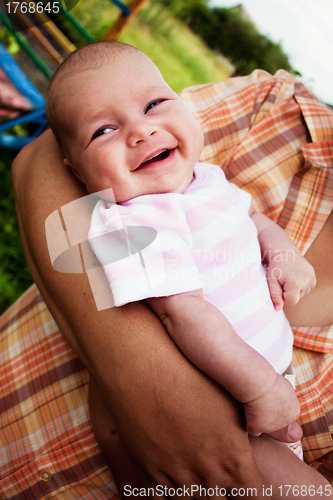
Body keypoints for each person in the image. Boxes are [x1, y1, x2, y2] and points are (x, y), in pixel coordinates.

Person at [7, 41, 333, 499]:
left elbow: (252, 219)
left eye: (155, 105)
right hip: (239, 407)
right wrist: (259, 389)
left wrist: (283, 254)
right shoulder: (138, 219)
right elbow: (184, 314)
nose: (140, 132)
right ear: (75, 170)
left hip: (265, 400)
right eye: (103, 131)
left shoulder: (207, 180)